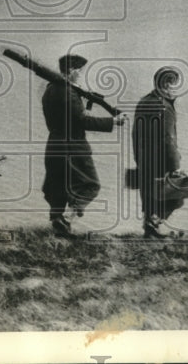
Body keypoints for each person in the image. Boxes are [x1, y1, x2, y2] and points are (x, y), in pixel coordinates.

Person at [42, 54, 126, 237]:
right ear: (71, 70)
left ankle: (58, 227)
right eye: (79, 71)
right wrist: (113, 121)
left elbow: (68, 118)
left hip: (54, 144)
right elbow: (81, 122)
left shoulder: (50, 90)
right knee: (91, 185)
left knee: (58, 186)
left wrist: (85, 108)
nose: (80, 75)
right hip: (73, 147)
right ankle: (66, 219)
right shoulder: (69, 92)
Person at [132, 66, 185, 238]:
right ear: (167, 85)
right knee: (177, 195)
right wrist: (175, 165)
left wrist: (138, 157)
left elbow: (135, 133)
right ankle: (153, 224)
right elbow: (167, 138)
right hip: (161, 160)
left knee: (149, 195)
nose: (176, 88)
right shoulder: (165, 107)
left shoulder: (144, 101)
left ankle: (150, 229)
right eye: (174, 84)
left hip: (144, 158)